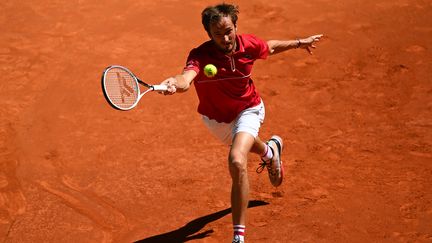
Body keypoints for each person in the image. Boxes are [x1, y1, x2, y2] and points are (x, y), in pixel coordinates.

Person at [159, 3, 322, 243]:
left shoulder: (248, 45)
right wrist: (174, 83)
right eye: (217, 34)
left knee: (237, 159)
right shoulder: (201, 55)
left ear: (235, 25)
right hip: (215, 120)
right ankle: (270, 151)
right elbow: (186, 78)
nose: (225, 38)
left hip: (249, 109)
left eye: (228, 31)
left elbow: (270, 47)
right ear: (209, 35)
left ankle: (239, 237)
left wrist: (299, 42)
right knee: (241, 143)